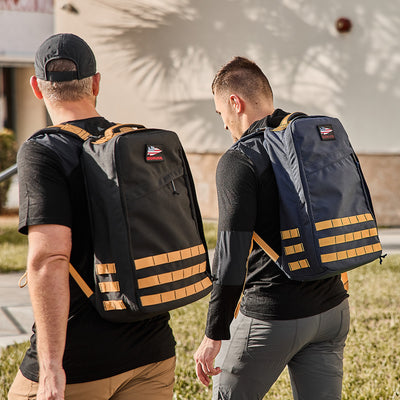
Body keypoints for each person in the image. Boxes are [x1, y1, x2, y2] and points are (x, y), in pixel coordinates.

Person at [8, 33, 176, 400]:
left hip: (81, 363)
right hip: (154, 351)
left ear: (37, 87)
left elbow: (49, 258)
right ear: (96, 82)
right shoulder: (133, 143)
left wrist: (52, 368)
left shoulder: (43, 151)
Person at [194, 56, 350, 400]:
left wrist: (213, 334)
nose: (224, 125)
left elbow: (231, 258)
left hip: (274, 316)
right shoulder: (309, 138)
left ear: (236, 103)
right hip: (333, 311)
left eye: (221, 113)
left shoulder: (239, 159)